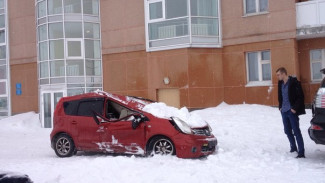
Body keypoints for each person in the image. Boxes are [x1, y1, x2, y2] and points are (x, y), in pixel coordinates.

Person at [276, 67, 306, 158]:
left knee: (296, 131)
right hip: (284, 111)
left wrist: (294, 108)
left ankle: (301, 152)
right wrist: (280, 107)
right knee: (287, 130)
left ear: (283, 74)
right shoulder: (280, 83)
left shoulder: (294, 83)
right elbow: (280, 96)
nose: (277, 77)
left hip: (292, 111)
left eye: (278, 75)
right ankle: (293, 148)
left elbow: (301, 96)